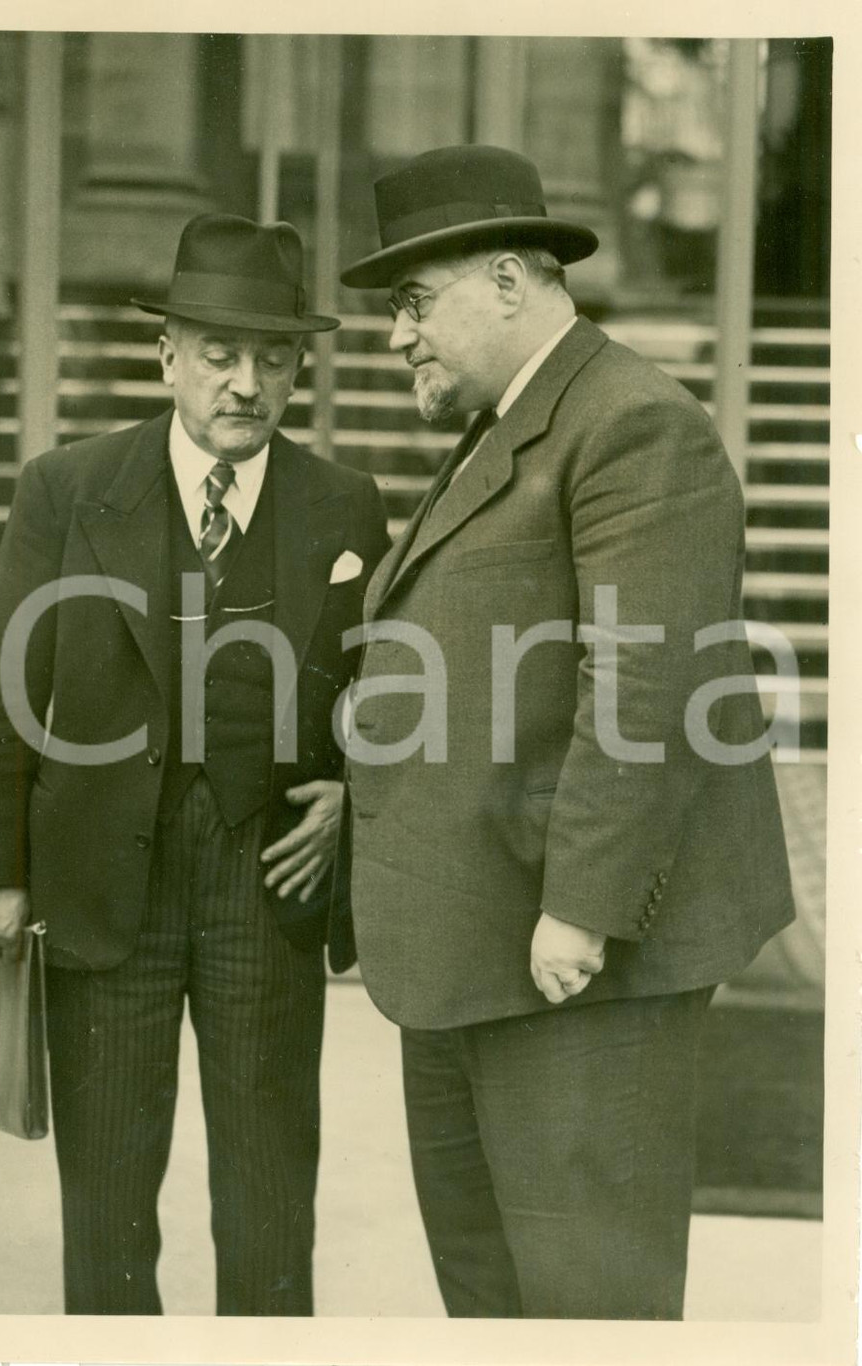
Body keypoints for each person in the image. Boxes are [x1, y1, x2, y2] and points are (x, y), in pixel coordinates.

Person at [334, 145, 796, 1320]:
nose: (398, 337)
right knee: (493, 1305)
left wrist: (579, 910)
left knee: (591, 1308)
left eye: (413, 303)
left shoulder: (630, 422)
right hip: (471, 960)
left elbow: (647, 689)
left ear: (506, 279)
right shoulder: (516, 427)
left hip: (570, 973)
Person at [0, 213, 390, 1316]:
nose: (244, 383)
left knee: (267, 1202)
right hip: (106, 885)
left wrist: (351, 793)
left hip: (267, 887)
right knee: (104, 1207)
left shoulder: (344, 506)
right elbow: (7, 687)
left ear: (299, 368)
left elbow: (384, 694)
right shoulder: (66, 489)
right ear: (167, 358)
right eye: (218, 353)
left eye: (271, 358)